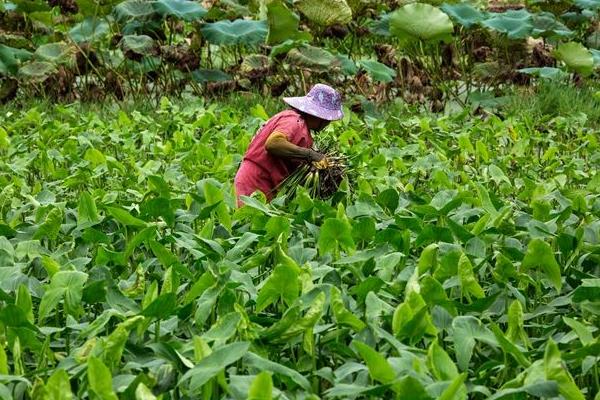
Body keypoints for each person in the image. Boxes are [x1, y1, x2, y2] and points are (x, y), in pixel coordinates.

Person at [234, 84, 344, 206]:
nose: (327, 123)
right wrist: (310, 155)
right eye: (327, 119)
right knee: (250, 220)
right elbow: (273, 143)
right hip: (256, 179)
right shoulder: (293, 120)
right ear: (318, 115)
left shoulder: (303, 128)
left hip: (268, 183)